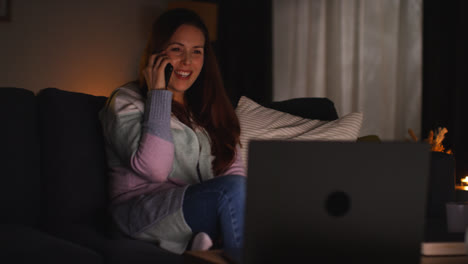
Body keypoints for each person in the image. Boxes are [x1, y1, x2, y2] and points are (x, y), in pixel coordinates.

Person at [99, 8, 246, 254]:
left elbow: (235, 172)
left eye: (197, 52)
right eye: (177, 49)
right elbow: (155, 169)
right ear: (157, 53)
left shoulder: (208, 108)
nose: (187, 61)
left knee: (249, 197)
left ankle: (206, 245)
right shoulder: (125, 101)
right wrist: (159, 94)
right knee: (233, 191)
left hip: (194, 213)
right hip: (141, 215)